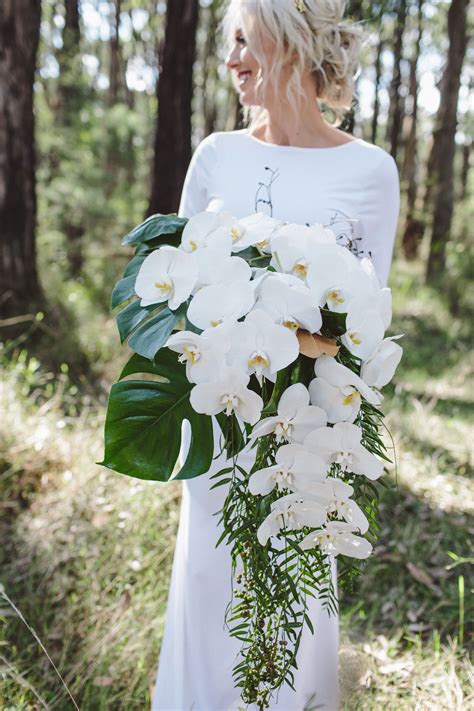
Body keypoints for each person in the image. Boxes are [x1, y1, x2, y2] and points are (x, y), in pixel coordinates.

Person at [152, 0, 400, 709]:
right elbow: (182, 293)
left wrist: (291, 331)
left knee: (297, 582)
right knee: (208, 581)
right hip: (222, 418)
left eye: (242, 40)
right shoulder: (217, 157)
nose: (230, 60)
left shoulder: (371, 171)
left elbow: (362, 321)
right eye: (229, 43)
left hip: (308, 429)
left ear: (290, 41)